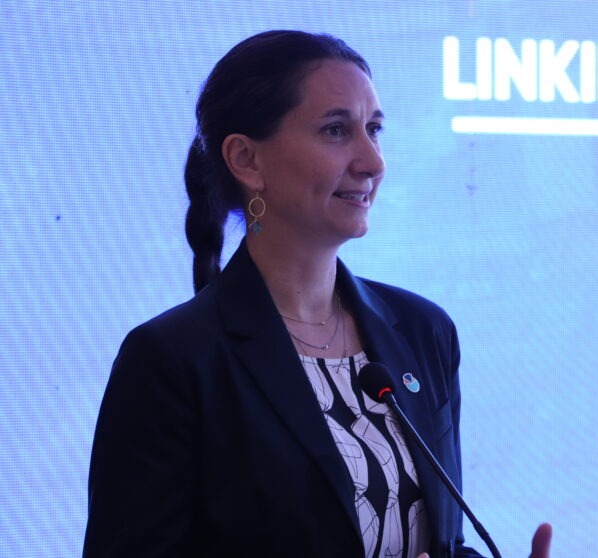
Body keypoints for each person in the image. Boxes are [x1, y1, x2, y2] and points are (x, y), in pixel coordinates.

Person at [83, 30, 553, 557]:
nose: (373, 161)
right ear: (246, 159)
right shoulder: (171, 360)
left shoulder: (424, 331)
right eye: (336, 130)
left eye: (374, 130)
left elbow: (437, 544)